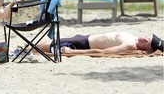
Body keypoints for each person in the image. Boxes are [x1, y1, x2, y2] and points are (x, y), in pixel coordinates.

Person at [35, 32, 163, 55]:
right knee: (46, 45)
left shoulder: (130, 45)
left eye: (147, 42)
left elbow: (103, 52)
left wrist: (73, 52)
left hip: (83, 44)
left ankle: (24, 50)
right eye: (148, 37)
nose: (145, 39)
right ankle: (25, 49)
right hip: (85, 38)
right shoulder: (134, 38)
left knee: (46, 46)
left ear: (148, 49)